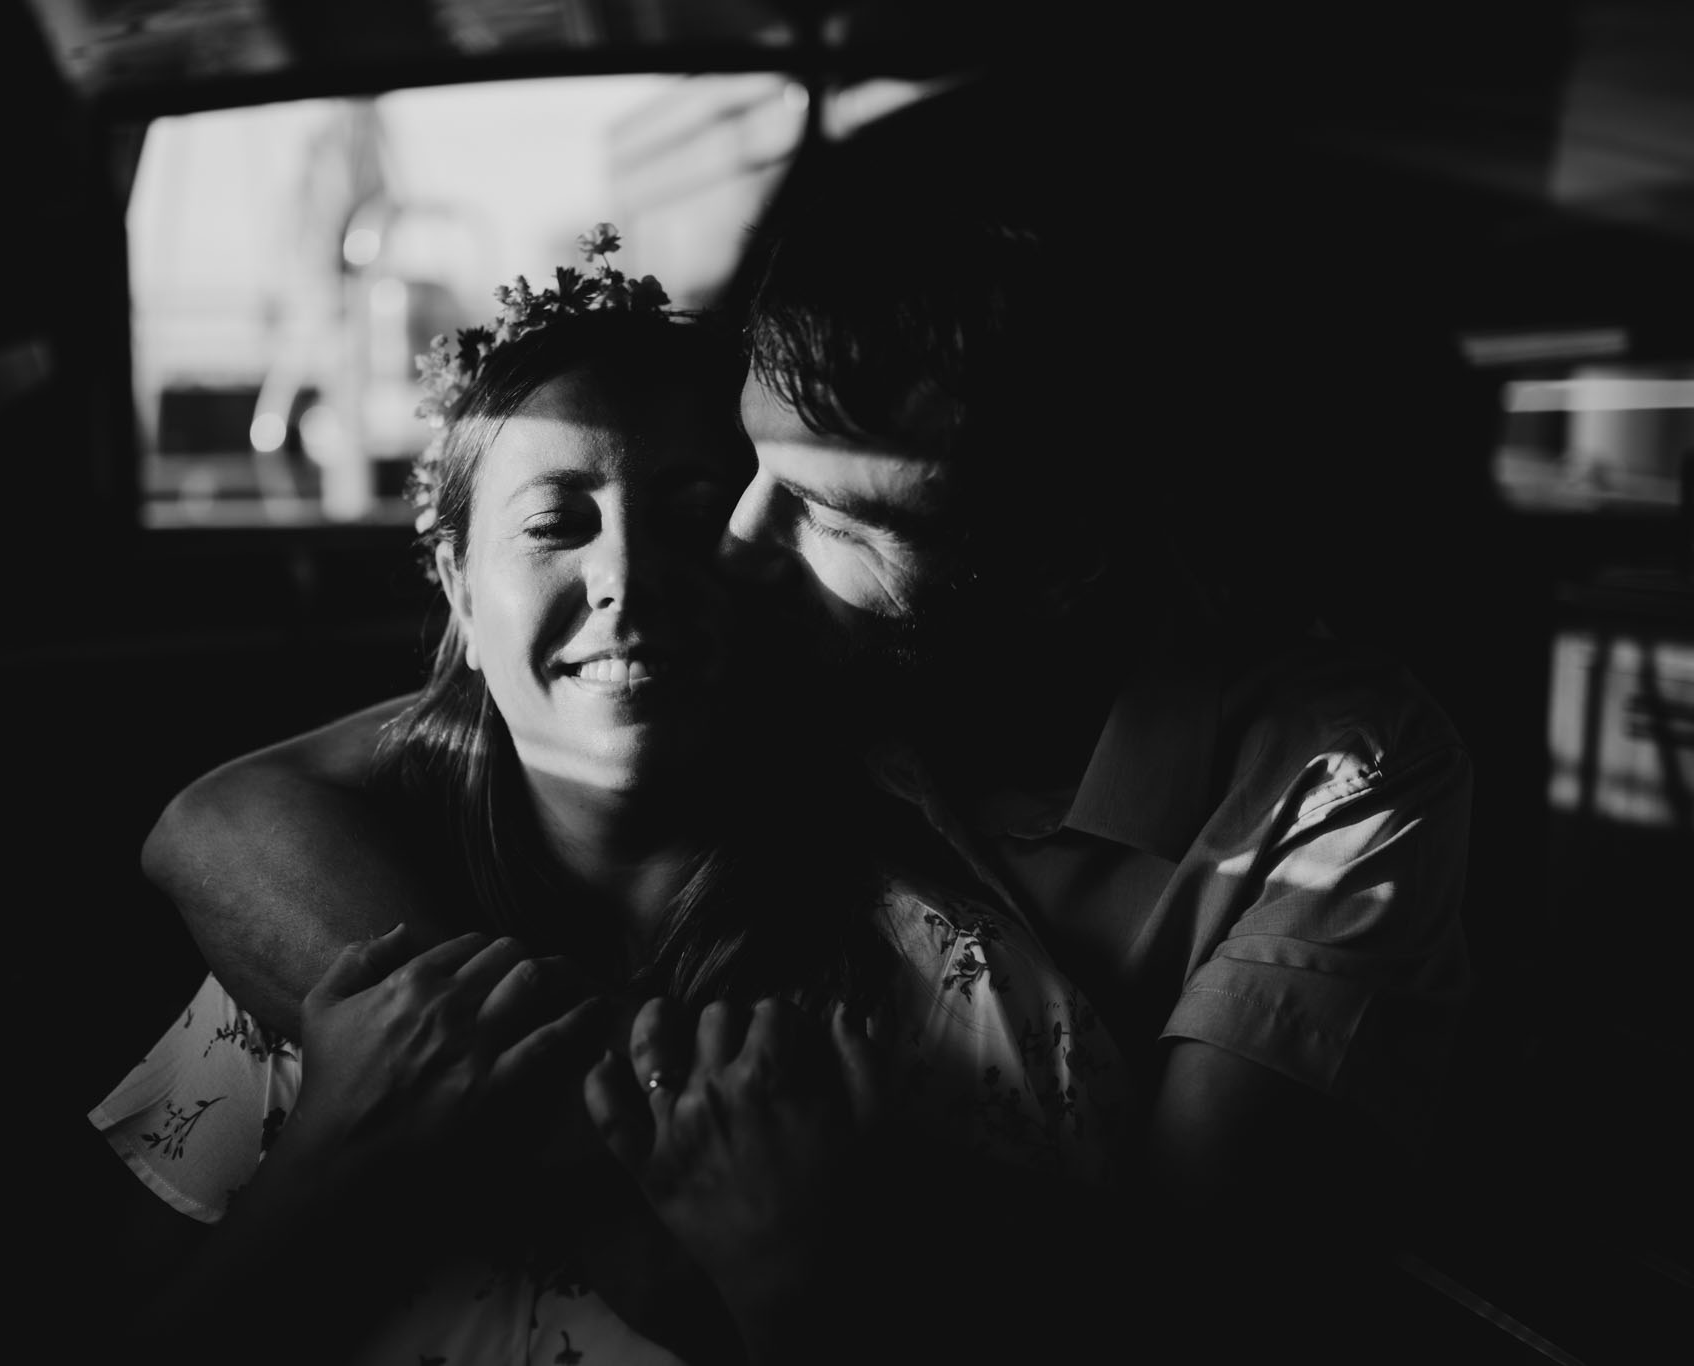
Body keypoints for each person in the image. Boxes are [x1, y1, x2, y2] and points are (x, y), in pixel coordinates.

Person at [145, 124, 1475, 1352]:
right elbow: (224, 818)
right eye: (748, 470)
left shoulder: (1309, 792)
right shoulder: (409, 936)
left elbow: (1203, 1294)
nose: (720, 554)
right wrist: (516, 1144)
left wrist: (799, 1274)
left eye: (828, 516)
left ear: (1052, 564)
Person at [93, 233, 1133, 1362]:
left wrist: (799, 1294)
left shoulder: (956, 993)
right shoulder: (308, 965)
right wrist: (334, 1156)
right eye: (555, 523)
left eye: (692, 512)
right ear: (455, 582)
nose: (626, 577)